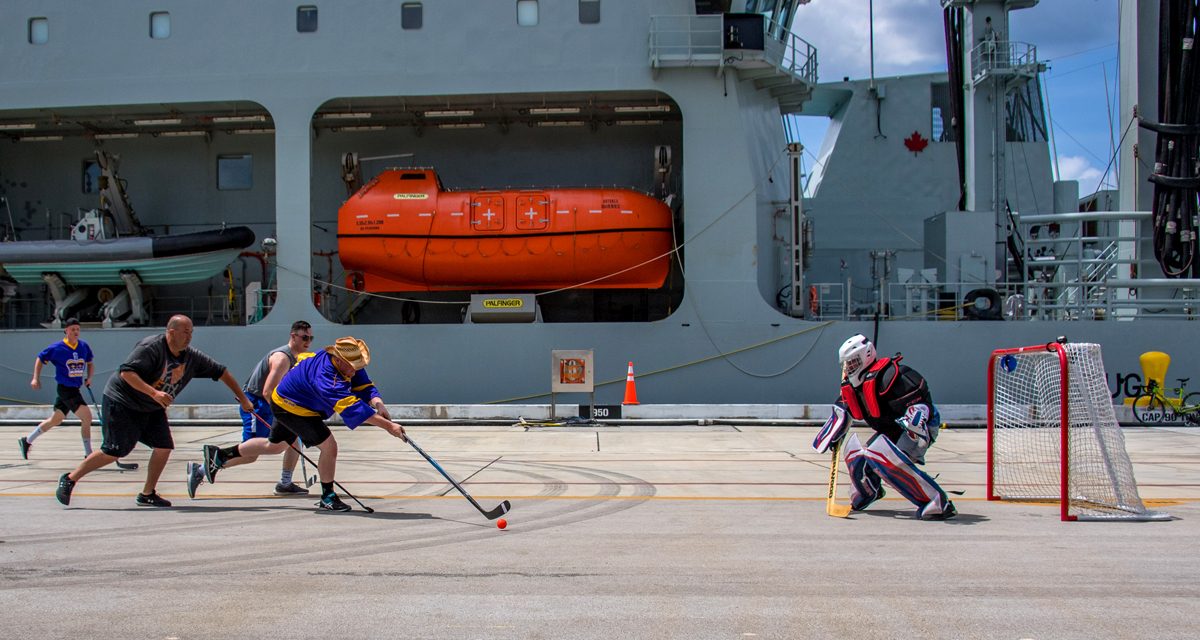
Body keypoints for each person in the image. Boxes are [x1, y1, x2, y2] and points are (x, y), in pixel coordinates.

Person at [55, 314, 252, 508]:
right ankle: (70, 478)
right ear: (171, 332)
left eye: (191, 332)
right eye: (185, 332)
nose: (189, 336)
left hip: (150, 407)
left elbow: (222, 372)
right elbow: (127, 373)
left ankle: (147, 493)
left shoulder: (192, 357)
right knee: (114, 451)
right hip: (122, 402)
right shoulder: (151, 347)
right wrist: (154, 393)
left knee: (164, 446)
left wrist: (243, 400)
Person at [198, 336, 406, 512]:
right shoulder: (327, 377)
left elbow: (364, 386)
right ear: (339, 360)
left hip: (286, 400)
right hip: (293, 407)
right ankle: (328, 496)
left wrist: (378, 403)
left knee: (276, 445)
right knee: (329, 446)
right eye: (353, 368)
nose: (355, 371)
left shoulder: (348, 363)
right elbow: (354, 410)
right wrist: (389, 427)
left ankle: (220, 455)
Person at [821, 334, 956, 520]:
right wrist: (835, 431)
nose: (848, 368)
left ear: (865, 357)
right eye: (846, 363)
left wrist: (916, 422)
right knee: (856, 455)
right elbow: (844, 409)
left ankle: (937, 502)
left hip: (916, 430)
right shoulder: (853, 386)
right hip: (891, 432)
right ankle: (869, 491)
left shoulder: (891, 375)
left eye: (852, 362)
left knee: (882, 457)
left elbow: (921, 402)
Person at [185, 320, 314, 497]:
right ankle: (200, 469)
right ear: (293, 336)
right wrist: (284, 414)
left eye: (311, 338)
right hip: (258, 404)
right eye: (305, 337)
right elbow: (268, 391)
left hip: (270, 404)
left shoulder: (295, 358)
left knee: (294, 438)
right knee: (251, 454)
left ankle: (285, 482)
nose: (308, 341)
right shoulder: (283, 358)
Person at [21, 318, 96, 460]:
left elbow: (90, 363)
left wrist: (89, 377)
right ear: (66, 331)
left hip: (75, 388)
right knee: (87, 416)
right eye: (72, 329)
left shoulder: (83, 346)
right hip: (65, 389)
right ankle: (89, 453)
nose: (76, 332)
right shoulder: (57, 348)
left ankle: (27, 440)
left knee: (56, 419)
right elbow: (40, 358)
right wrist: (35, 378)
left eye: (78, 329)